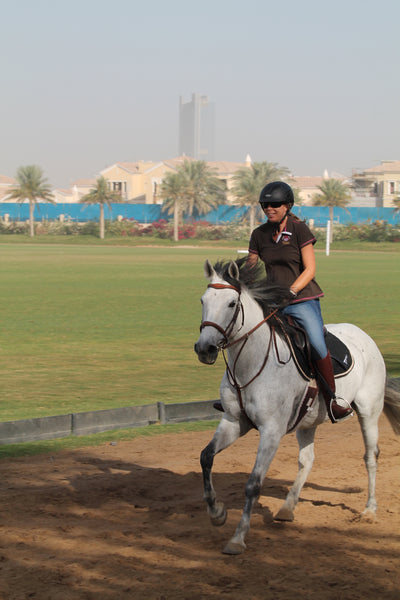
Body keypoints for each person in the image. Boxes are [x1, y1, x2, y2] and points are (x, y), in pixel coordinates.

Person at [246, 181, 353, 423]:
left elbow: (310, 269)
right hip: (272, 301)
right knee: (247, 336)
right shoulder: (259, 234)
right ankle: (238, 396)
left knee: (315, 342)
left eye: (275, 204)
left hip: (302, 298)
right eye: (265, 205)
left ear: (287, 206)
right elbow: (250, 268)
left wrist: (291, 292)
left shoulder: (299, 230)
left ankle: (333, 400)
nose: (269, 208)